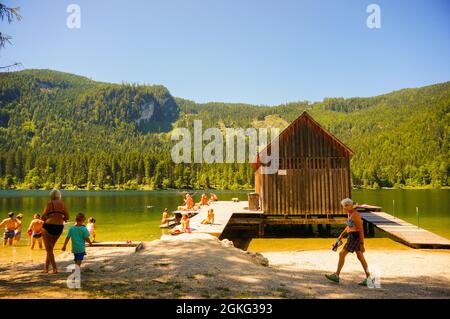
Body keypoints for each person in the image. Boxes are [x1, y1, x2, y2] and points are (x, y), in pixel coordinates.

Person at [325, 198, 371, 286]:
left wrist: (362, 244)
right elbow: (348, 227)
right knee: (360, 257)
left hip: (355, 237)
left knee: (342, 254)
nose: (345, 207)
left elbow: (361, 230)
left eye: (346, 206)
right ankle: (369, 278)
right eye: (344, 206)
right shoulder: (350, 214)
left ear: (351, 205)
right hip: (351, 237)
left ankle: (336, 275)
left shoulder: (355, 215)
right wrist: (340, 237)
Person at [41, 189, 69, 274]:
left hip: (48, 226)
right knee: (50, 249)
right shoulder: (63, 204)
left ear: (52, 195)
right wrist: (61, 218)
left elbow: (43, 216)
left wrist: (48, 217)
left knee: (49, 250)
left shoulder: (50, 203)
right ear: (59, 195)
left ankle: (54, 269)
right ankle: (46, 269)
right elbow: (67, 217)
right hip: (59, 227)